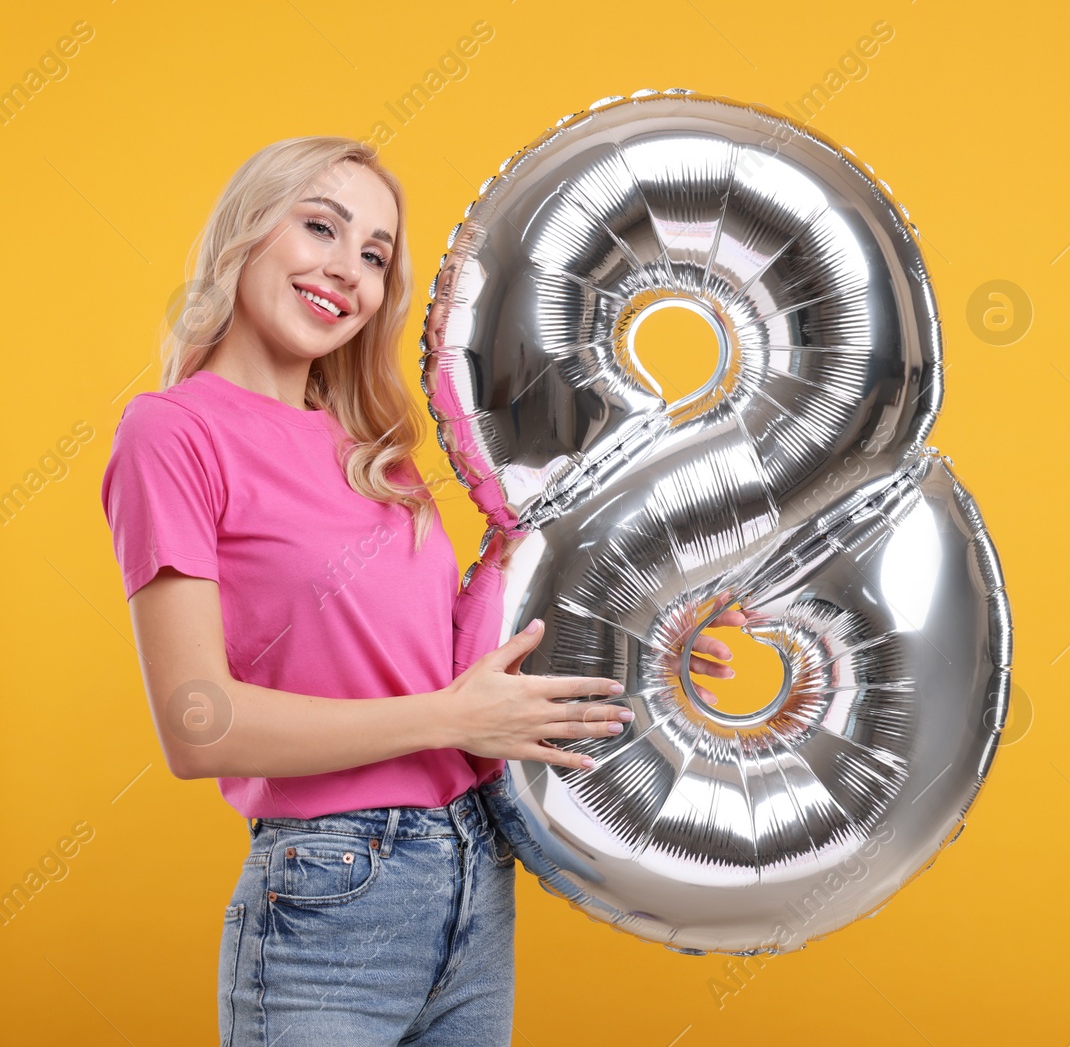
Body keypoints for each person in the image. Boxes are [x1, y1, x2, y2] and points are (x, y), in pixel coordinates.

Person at [99, 136, 743, 1046]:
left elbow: (452, 661)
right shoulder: (172, 432)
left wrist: (644, 638)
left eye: (373, 255)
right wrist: (448, 719)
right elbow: (197, 725)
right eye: (319, 226)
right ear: (245, 231)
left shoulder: (370, 449)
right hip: (330, 889)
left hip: (473, 869)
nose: (346, 271)